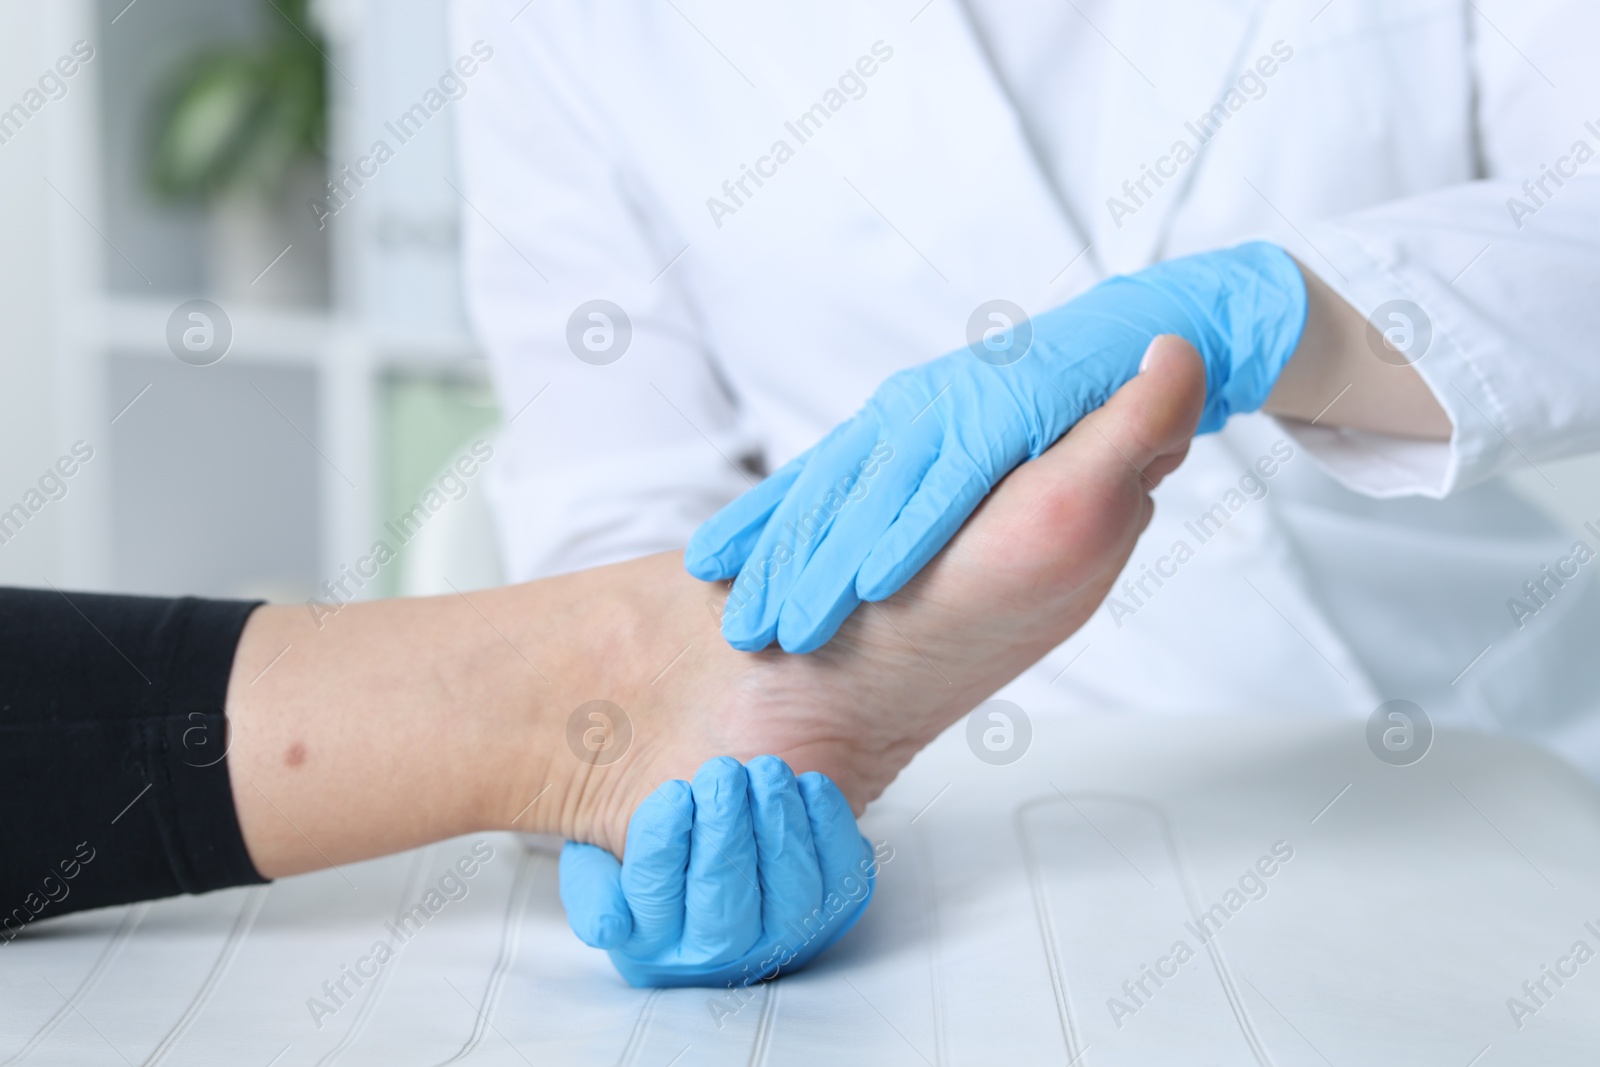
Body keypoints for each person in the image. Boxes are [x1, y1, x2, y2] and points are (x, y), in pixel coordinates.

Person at [454, 0, 1600, 774]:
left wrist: (1288, 315)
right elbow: (616, 507)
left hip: (1528, 724)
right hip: (988, 796)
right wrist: (683, 771)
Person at [1, 338, 1206, 984]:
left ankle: (618, 680)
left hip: (1375, 688)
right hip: (866, 606)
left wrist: (1299, 318)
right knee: (649, 641)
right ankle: (618, 686)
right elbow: (609, 447)